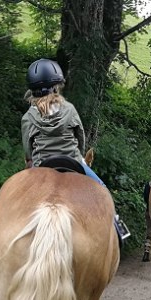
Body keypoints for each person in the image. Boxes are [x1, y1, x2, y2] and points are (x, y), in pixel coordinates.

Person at [20, 58, 130, 241]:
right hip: (72, 160)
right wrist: (79, 154)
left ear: (32, 90)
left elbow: (28, 150)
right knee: (102, 190)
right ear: (56, 87)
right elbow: (81, 138)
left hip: (41, 165)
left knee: (15, 198)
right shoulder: (69, 109)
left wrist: (31, 161)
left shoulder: (28, 117)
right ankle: (116, 225)